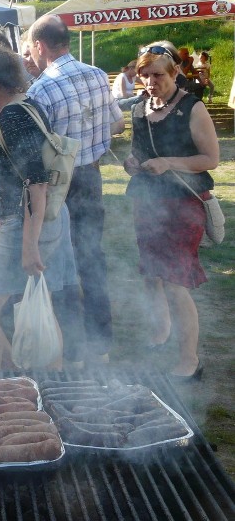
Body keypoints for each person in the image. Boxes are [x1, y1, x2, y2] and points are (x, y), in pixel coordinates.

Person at [0, 43, 78, 371]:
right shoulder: (28, 104)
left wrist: (29, 246)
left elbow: (36, 182)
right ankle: (51, 390)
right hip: (47, 219)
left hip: (26, 223)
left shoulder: (12, 117)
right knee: (44, 305)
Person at [27, 15, 124, 365]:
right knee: (92, 259)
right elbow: (118, 122)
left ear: (40, 45)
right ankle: (100, 347)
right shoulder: (98, 75)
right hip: (92, 176)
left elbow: (37, 152)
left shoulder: (41, 88)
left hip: (59, 186)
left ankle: (71, 352)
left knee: (61, 266)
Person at [123, 44, 218, 381]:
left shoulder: (192, 108)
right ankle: (160, 332)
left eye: (157, 75)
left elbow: (210, 159)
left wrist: (168, 163)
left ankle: (190, 360)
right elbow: (137, 153)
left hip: (183, 204)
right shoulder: (138, 108)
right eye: (144, 75)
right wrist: (132, 163)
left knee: (176, 282)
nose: (150, 81)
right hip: (147, 201)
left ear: (175, 73)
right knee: (151, 273)